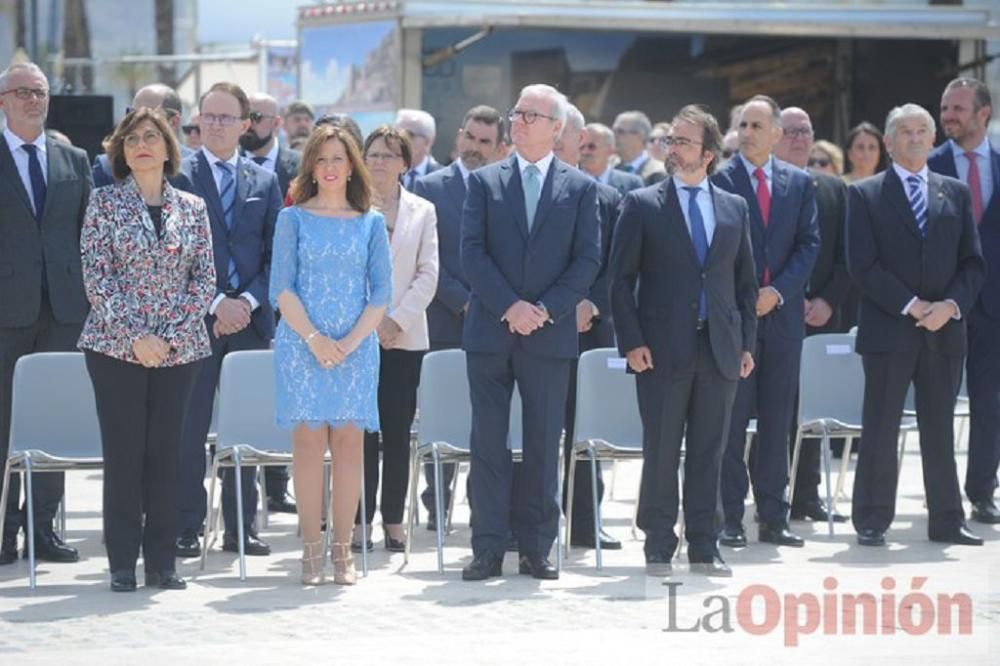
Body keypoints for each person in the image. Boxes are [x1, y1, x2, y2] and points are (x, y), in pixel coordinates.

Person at [460, 84, 600, 581]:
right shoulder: (484, 181)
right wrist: (511, 306)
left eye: (530, 115)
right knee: (488, 444)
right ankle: (487, 547)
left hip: (549, 333)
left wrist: (542, 309)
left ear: (556, 128)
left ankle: (538, 547)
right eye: (516, 113)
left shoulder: (580, 188)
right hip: (490, 332)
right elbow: (471, 253)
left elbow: (587, 260)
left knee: (544, 443)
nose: (517, 122)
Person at [611, 104, 757, 577]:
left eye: (684, 142)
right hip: (660, 349)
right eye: (671, 141)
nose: (673, 149)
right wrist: (631, 342)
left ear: (709, 153)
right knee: (661, 447)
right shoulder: (642, 203)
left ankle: (703, 542)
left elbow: (745, 285)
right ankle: (657, 538)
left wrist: (746, 345)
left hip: (719, 348)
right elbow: (620, 280)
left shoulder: (734, 207)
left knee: (710, 448)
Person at [78, 108, 215, 592]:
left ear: (167, 147)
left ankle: (163, 562)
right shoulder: (104, 203)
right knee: (124, 453)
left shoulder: (193, 208)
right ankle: (121, 562)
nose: (142, 144)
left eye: (152, 136)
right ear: (121, 150)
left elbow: (204, 282)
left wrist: (169, 337)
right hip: (116, 347)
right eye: (132, 138)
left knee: (168, 454)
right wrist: (137, 335)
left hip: (179, 351)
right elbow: (98, 278)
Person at [847, 103, 986, 548]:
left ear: (932, 140)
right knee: (881, 426)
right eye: (904, 131)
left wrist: (950, 305)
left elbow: (973, 263)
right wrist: (911, 305)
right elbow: (862, 266)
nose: (914, 138)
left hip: (944, 330)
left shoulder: (955, 192)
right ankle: (871, 518)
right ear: (888, 143)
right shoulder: (865, 194)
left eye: (922, 130)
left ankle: (947, 519)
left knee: (940, 428)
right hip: (890, 329)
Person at [270, 124, 391, 584]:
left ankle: (343, 552)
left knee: (348, 446)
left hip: (356, 349)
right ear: (310, 167)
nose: (330, 167)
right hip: (303, 347)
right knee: (306, 443)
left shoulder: (370, 222)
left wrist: (351, 341)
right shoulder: (293, 219)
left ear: (352, 164)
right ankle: (309, 551)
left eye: (338, 158)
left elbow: (381, 291)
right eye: (321, 159)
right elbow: (281, 286)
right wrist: (315, 339)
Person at [174, 82, 282, 559]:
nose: (214, 126)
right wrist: (216, 302)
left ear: (246, 125)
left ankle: (241, 526)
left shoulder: (263, 180)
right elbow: (172, 254)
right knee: (188, 428)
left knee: (245, 429)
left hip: (251, 324)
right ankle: (185, 524)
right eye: (207, 117)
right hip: (197, 322)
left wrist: (249, 303)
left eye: (225, 118)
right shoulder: (178, 174)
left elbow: (276, 254)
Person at [713, 95, 819, 550]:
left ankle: (774, 516)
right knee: (732, 422)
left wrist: (777, 292)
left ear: (777, 133)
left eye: (757, 125)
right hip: (736, 320)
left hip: (782, 318)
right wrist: (745, 296)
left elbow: (808, 245)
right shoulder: (720, 180)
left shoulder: (799, 183)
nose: (748, 132)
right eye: (743, 124)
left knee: (778, 421)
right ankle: (729, 517)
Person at [0, 61, 91, 566]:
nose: (33, 100)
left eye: (39, 92)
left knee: (52, 422)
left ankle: (43, 529)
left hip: (64, 310)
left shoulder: (72, 159)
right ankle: (3, 529)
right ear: (3, 102)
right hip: (5, 312)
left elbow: (89, 233)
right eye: (21, 92)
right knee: (4, 422)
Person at [413, 104, 505, 529]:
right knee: (443, 413)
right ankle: (437, 503)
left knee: (485, 419)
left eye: (485, 142)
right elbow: (426, 257)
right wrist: (464, 300)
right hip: (446, 321)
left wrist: (492, 301)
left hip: (497, 324)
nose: (475, 148)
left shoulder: (506, 189)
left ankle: (481, 505)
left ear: (499, 146)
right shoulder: (430, 188)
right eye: (470, 137)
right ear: (458, 137)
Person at [353, 125, 438, 552]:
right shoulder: (348, 207)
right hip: (355, 339)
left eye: (389, 155)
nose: (380, 162)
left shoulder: (423, 210)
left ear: (405, 163)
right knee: (360, 432)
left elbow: (428, 274)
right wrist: (369, 324)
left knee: (397, 429)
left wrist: (396, 322)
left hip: (404, 339)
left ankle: (393, 521)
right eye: (373, 154)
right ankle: (357, 520)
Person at [928, 77, 999, 525]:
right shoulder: (928, 166)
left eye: (957, 108)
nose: (948, 116)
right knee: (937, 405)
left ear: (983, 113)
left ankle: (982, 491)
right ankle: (943, 498)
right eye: (945, 108)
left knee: (989, 403)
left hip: (994, 306)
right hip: (941, 306)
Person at [774, 107, 850, 523]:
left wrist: (828, 300)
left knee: (812, 412)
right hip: (770, 317)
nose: (800, 138)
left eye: (806, 130)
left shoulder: (834, 189)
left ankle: (806, 494)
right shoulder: (759, 189)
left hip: (820, 320)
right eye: (790, 131)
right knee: (774, 411)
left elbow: (847, 255)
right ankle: (768, 493)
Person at [553, 103, 622, 551]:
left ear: (580, 143)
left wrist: (592, 304)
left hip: (587, 332)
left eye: (562, 142)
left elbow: (616, 266)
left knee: (585, 433)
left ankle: (583, 521)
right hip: (535, 328)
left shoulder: (606, 199)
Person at [92, 83, 193, 188]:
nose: (137, 120)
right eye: (132, 114)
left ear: (174, 122)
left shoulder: (195, 168)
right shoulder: (107, 166)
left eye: (148, 115)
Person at [242, 92, 302, 199]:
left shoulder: (301, 165)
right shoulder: (227, 163)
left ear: (276, 123)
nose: (248, 124)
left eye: (255, 117)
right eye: (243, 117)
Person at [579, 122, 644, 196]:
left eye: (591, 147)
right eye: (581, 146)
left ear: (610, 150)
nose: (585, 152)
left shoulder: (632, 183)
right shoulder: (570, 181)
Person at [612, 110, 667, 185]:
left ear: (639, 136)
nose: (613, 136)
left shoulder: (658, 173)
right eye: (613, 131)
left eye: (620, 132)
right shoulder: (609, 166)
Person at [396, 108, 443, 189]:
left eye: (410, 135)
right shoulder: (388, 173)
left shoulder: (442, 177)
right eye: (398, 135)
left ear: (428, 141)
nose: (403, 141)